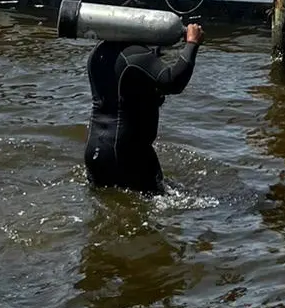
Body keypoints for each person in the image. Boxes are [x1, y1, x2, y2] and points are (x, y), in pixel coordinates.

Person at [83, 22, 203, 194]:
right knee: (157, 210)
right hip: (128, 153)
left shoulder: (97, 52)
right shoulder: (135, 54)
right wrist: (192, 44)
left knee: (108, 209)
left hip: (96, 150)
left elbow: (128, 94)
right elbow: (173, 81)